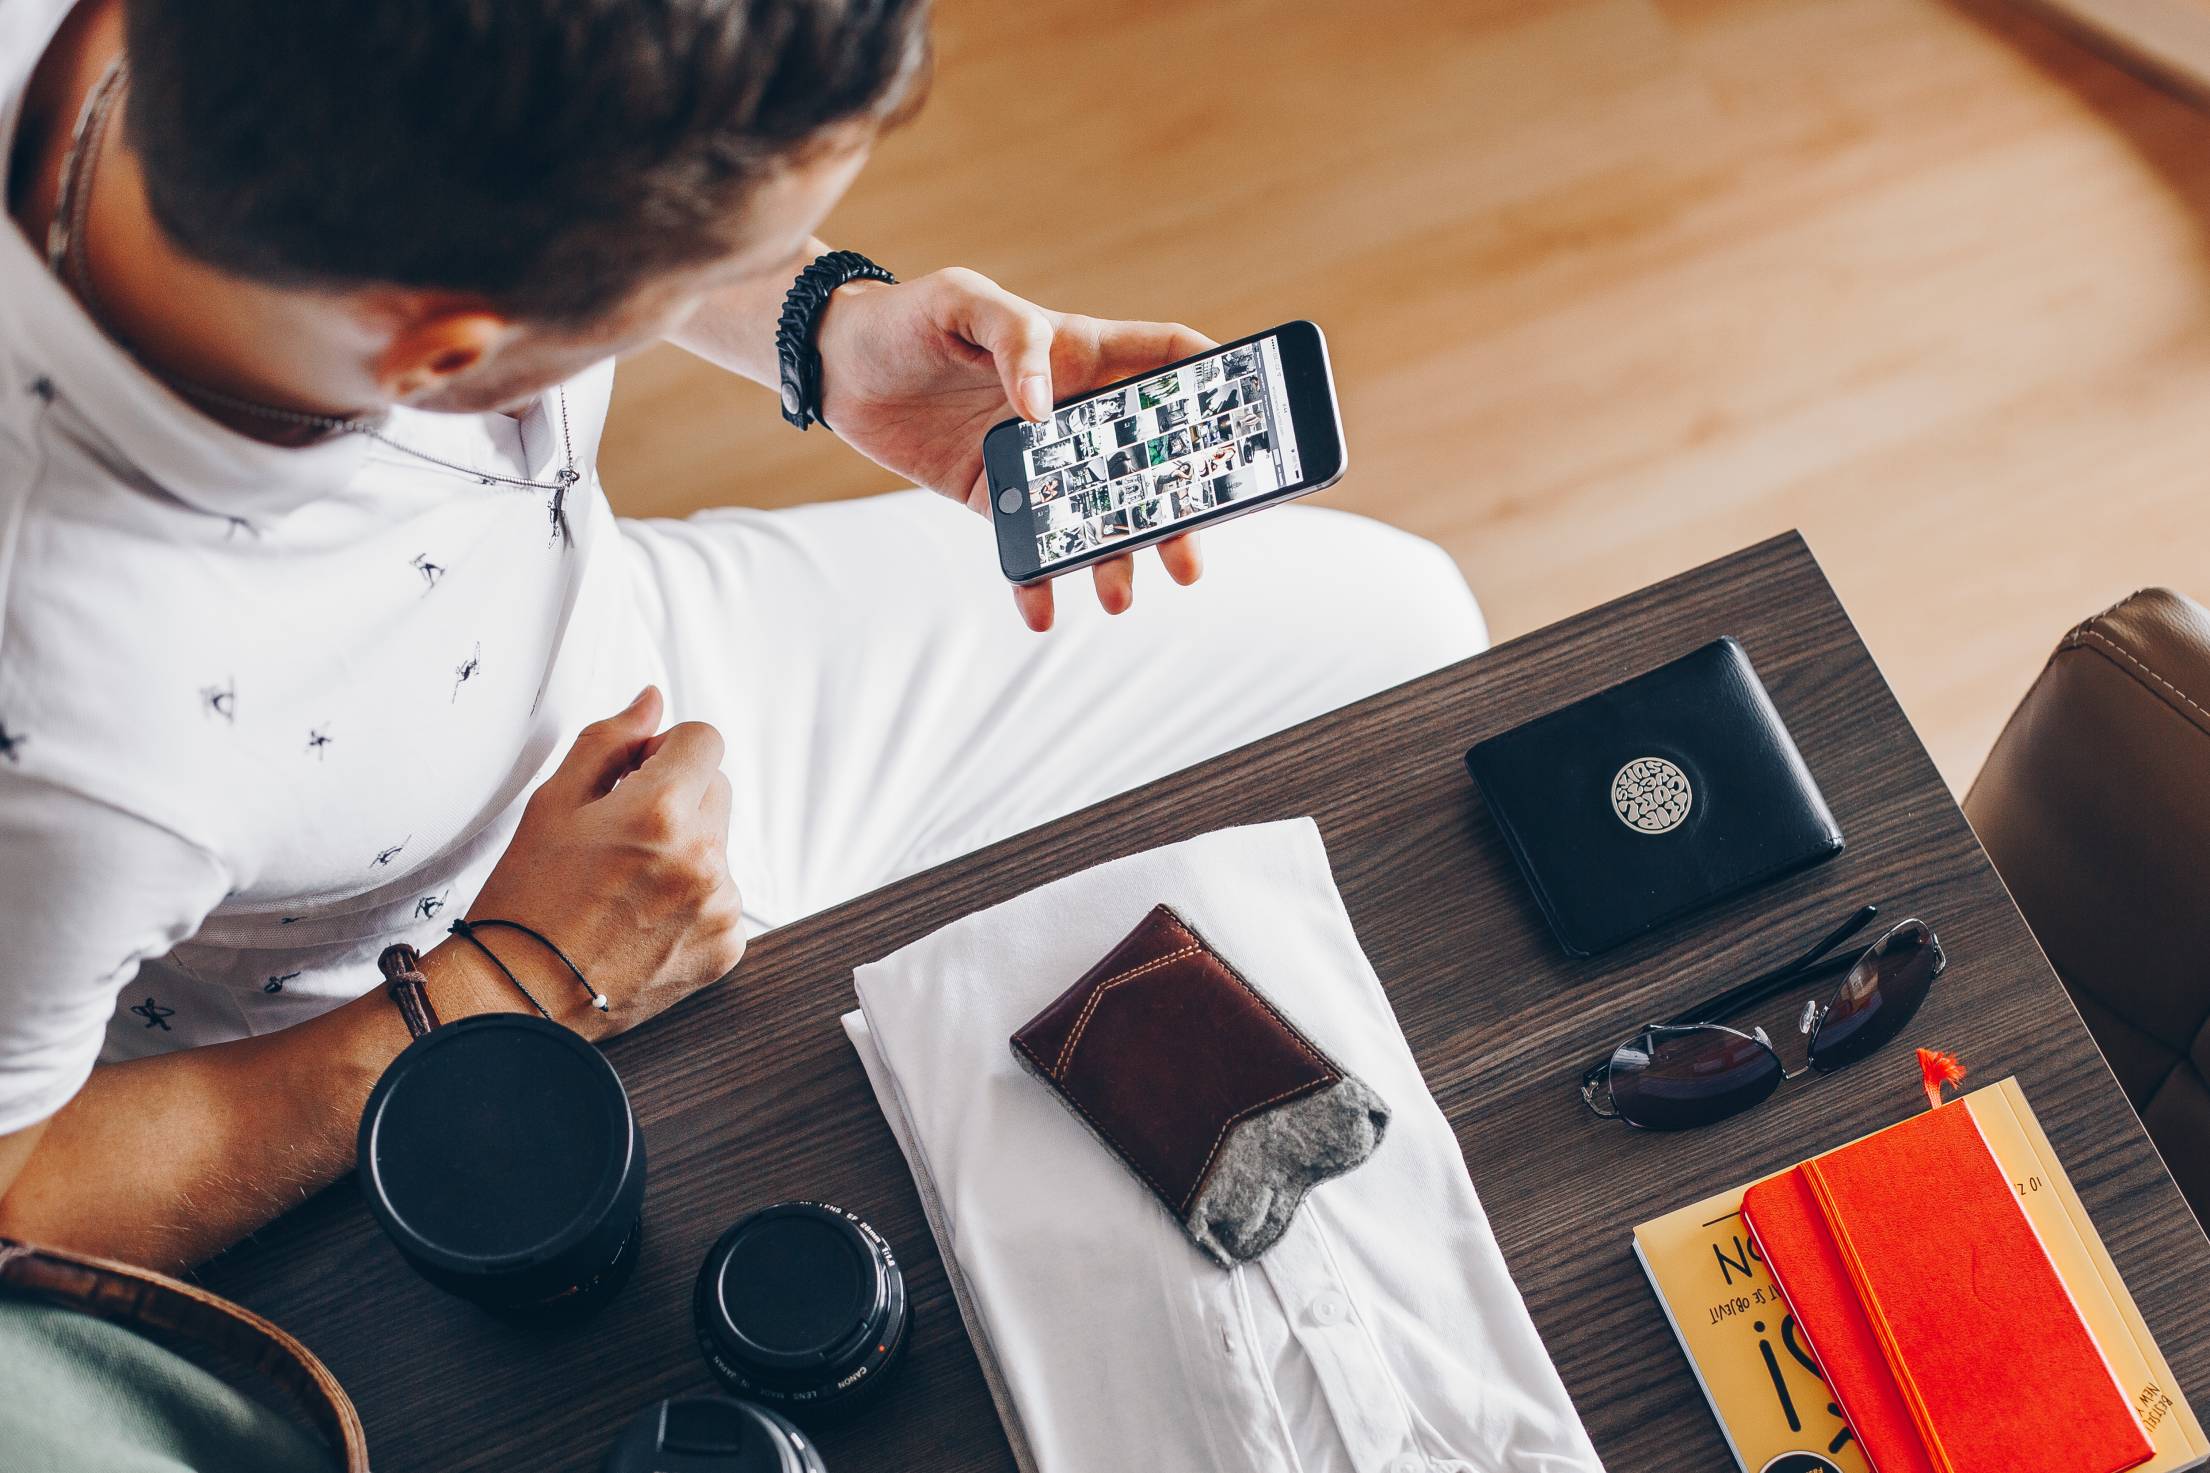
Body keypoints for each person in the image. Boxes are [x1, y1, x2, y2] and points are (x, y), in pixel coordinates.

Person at [0, 0, 1488, 1272]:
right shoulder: (70, 740)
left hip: (649, 663)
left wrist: (824, 330)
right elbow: (19, 1192)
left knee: (1405, 631)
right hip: (414, 1033)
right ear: (439, 356)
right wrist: (509, 977)